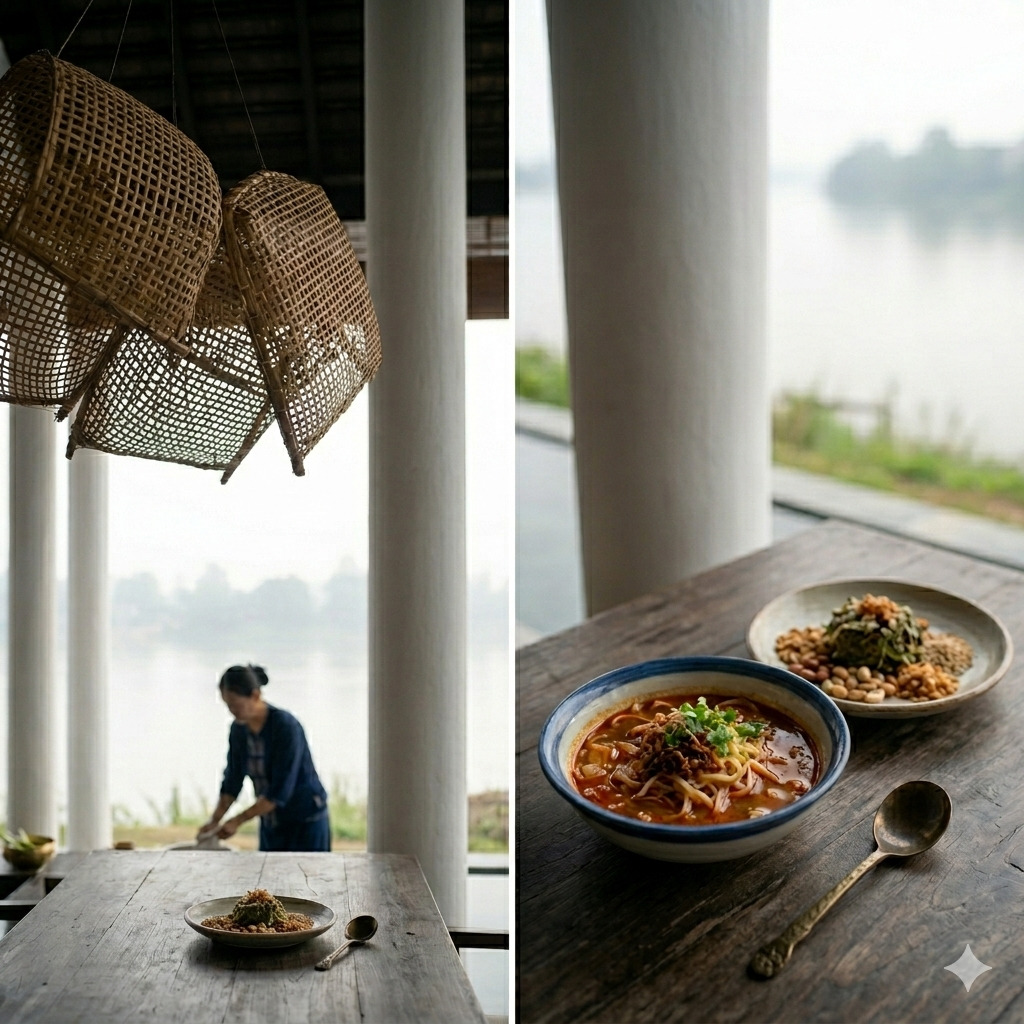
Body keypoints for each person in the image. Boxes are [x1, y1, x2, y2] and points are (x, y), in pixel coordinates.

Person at [198, 664, 331, 851]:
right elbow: (232, 780)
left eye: (236, 705)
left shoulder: (285, 726)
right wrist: (215, 820)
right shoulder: (239, 730)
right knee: (269, 876)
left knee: (309, 877)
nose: (232, 711)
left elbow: (279, 792)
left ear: (255, 696)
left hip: (304, 820)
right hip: (271, 821)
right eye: (228, 705)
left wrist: (237, 820)